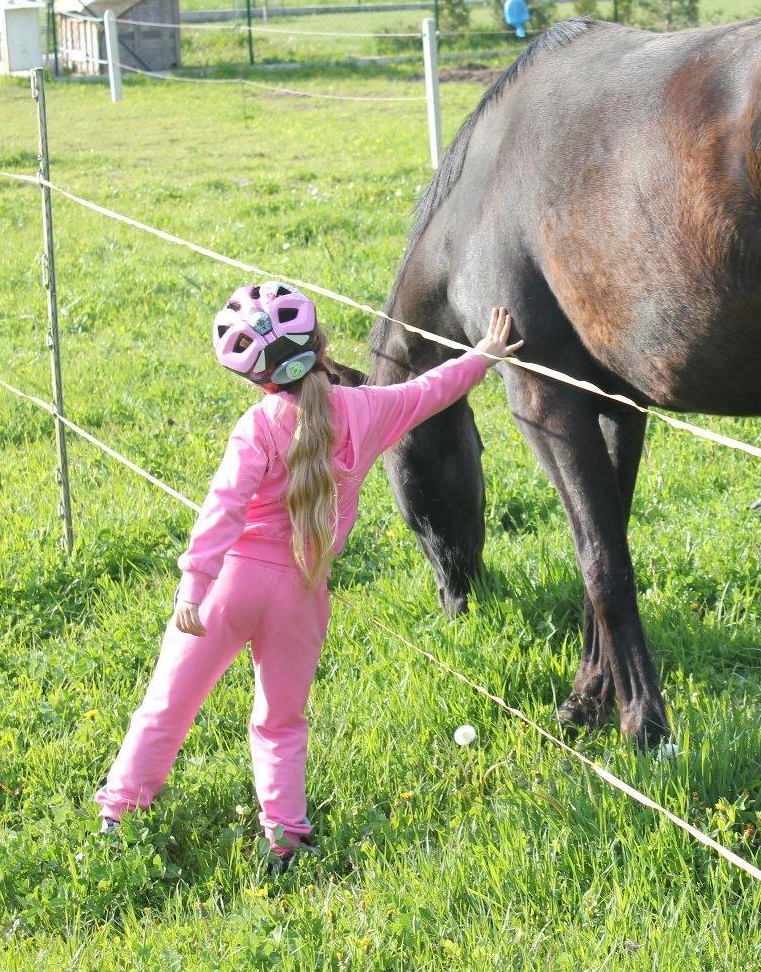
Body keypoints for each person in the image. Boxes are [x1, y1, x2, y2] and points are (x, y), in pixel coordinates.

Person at [93, 282, 521, 868]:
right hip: (301, 593)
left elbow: (223, 508)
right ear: (322, 344)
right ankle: (286, 835)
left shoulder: (257, 425)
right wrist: (484, 355)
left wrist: (193, 585)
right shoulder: (368, 410)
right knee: (280, 720)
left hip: (227, 587)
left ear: (258, 380)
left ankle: (120, 812)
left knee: (169, 703)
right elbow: (430, 390)